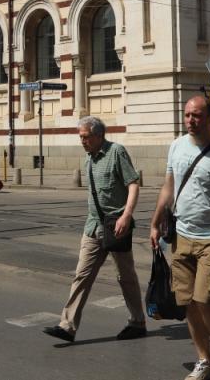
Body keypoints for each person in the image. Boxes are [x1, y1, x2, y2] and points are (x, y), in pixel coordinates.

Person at [149, 96, 210, 380]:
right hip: (181, 235)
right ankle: (202, 359)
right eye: (188, 115)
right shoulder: (176, 146)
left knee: (206, 299)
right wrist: (155, 223)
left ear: (209, 117)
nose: (191, 120)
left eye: (197, 115)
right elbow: (169, 187)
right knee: (188, 301)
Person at [42, 116, 146, 344]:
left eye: (86, 137)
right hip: (93, 227)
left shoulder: (116, 152)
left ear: (99, 135)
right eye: (80, 137)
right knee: (82, 275)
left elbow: (133, 183)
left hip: (116, 227)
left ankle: (137, 322)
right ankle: (67, 326)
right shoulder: (88, 159)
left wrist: (126, 216)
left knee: (125, 277)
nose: (82, 141)